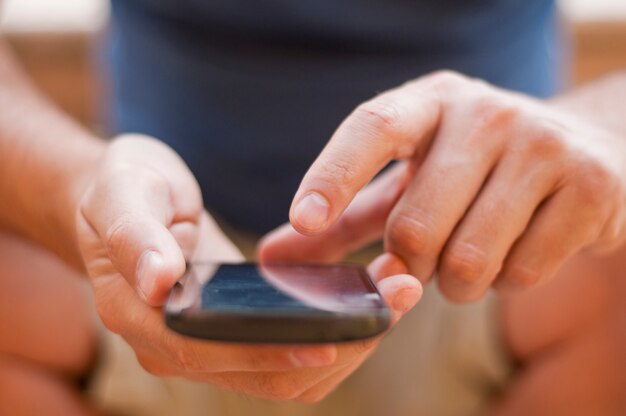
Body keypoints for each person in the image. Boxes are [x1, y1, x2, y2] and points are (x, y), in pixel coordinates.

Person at [0, 1, 625, 416]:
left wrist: (599, 131)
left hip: (476, 248)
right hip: (141, 245)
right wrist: (70, 186)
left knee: (612, 267)